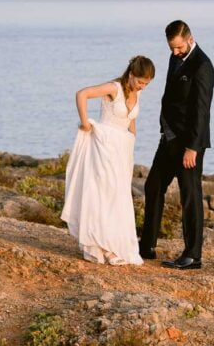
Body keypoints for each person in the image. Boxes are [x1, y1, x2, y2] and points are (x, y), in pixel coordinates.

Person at [61, 56, 154, 265]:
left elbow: (131, 120)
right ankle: (103, 246)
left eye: (146, 84)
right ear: (131, 74)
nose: (143, 87)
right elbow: (82, 94)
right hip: (104, 146)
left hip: (123, 150)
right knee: (103, 195)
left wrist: (132, 140)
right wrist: (85, 123)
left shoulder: (137, 92)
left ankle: (115, 244)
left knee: (119, 196)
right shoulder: (114, 88)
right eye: (140, 82)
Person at [139, 20, 214, 270]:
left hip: (189, 144)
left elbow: (201, 111)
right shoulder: (175, 58)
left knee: (190, 196)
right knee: (153, 186)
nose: (175, 52)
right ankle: (147, 247)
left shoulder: (203, 66)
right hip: (169, 138)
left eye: (179, 47)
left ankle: (193, 255)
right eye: (172, 48)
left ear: (190, 39)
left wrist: (192, 148)